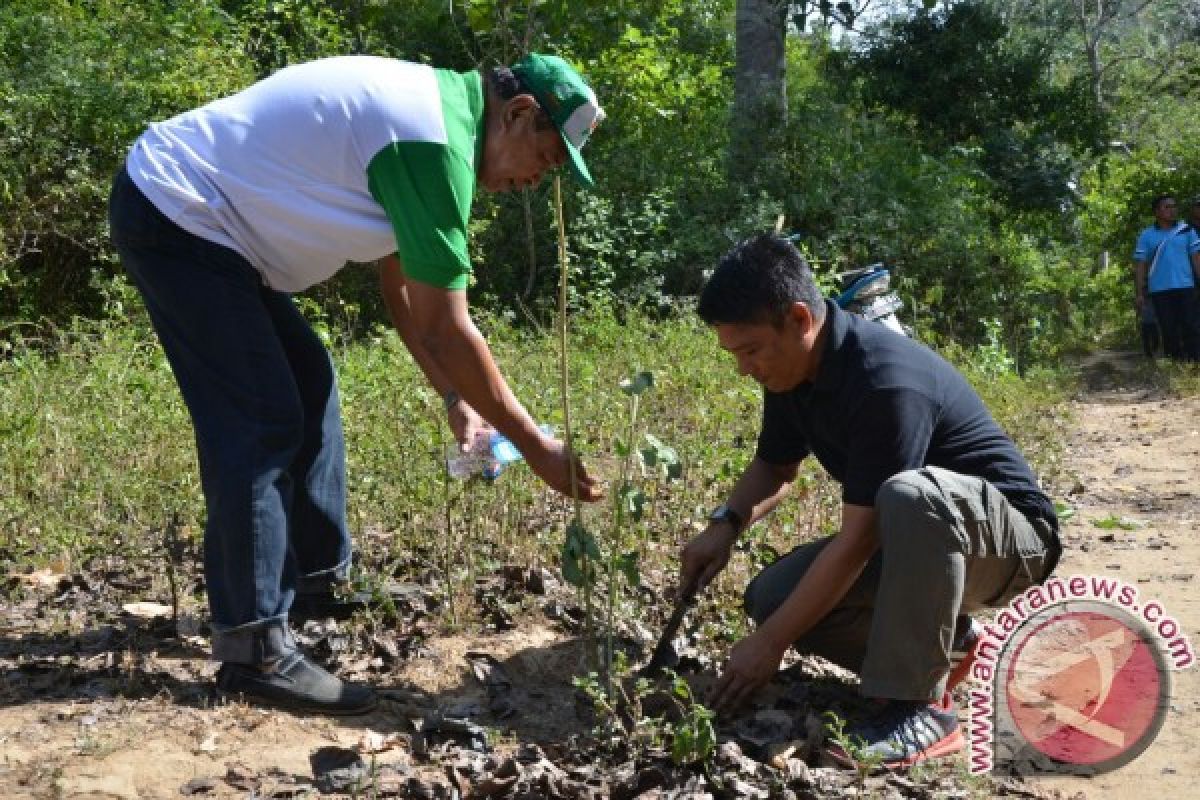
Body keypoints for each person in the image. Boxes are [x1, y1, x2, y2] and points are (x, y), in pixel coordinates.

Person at [108, 53, 605, 714]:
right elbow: (449, 330)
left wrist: (458, 399)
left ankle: (313, 586)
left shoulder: (441, 126)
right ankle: (253, 647)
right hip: (180, 209)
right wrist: (536, 445)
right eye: (544, 158)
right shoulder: (432, 143)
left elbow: (402, 286)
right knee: (260, 417)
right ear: (516, 114)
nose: (536, 180)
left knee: (307, 381)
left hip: (210, 227)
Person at [678, 234, 1061, 768]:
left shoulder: (883, 381)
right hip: (920, 539)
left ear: (799, 319)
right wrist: (726, 523)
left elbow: (859, 539)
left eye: (750, 351)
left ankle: (920, 710)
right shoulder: (791, 372)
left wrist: (769, 646)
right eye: (735, 355)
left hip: (1009, 543)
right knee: (772, 598)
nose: (745, 369)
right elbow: (775, 465)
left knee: (907, 495)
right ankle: (950, 647)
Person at [1133, 194, 1200, 362]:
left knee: (1191, 326)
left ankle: (1194, 363)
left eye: (1174, 206)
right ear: (1157, 212)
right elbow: (1140, 265)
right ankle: (1175, 363)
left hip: (1186, 286)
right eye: (1167, 207)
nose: (1172, 210)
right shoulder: (1146, 235)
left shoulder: (1187, 231)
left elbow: (1196, 259)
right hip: (1160, 290)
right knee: (1168, 328)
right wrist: (1140, 293)